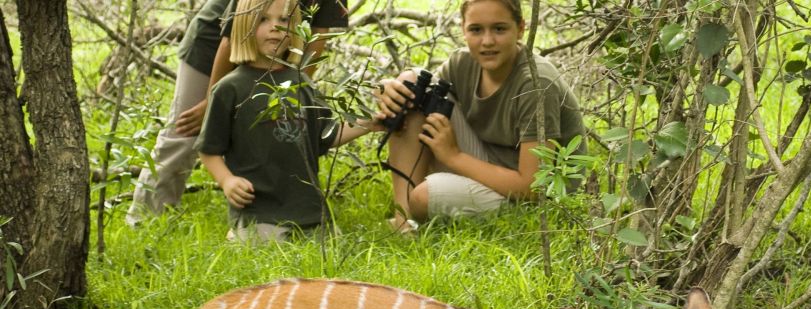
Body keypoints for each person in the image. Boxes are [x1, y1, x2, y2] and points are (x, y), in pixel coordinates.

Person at [126, 0, 347, 226]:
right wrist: (212, 102)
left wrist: (294, 90)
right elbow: (229, 40)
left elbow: (319, 34)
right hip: (214, 43)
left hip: (269, 44)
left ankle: (268, 213)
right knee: (186, 130)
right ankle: (145, 217)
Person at [375, 0, 586, 232]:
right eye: (476, 29)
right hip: (487, 163)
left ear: (521, 28)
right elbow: (416, 97)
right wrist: (388, 88)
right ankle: (404, 223)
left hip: (532, 198)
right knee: (412, 85)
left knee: (423, 197)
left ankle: (418, 206)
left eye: (499, 29)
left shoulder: (536, 84)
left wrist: (453, 156)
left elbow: (533, 187)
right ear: (463, 29)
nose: (487, 41)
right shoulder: (462, 63)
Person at [197, 0, 370, 242]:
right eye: (263, 20)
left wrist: (370, 123)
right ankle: (239, 233)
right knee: (260, 245)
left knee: (333, 249)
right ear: (243, 25)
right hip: (258, 211)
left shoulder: (303, 83)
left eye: (284, 20)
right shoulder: (230, 88)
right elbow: (208, 149)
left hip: (309, 212)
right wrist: (227, 181)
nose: (275, 27)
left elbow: (325, 136)